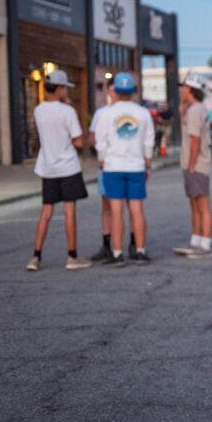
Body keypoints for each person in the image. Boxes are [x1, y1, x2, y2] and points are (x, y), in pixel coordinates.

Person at [26, 69, 91, 272]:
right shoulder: (67, 111)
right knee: (69, 210)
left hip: (48, 167)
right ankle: (72, 256)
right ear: (60, 88)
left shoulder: (39, 110)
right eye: (65, 88)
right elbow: (78, 141)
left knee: (46, 211)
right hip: (68, 167)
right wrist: (69, 109)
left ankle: (35, 257)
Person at [93, 72, 155, 265]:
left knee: (116, 210)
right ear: (133, 91)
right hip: (136, 166)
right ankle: (140, 251)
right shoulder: (143, 113)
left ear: (116, 91)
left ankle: (118, 253)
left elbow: (100, 141)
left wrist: (101, 160)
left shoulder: (106, 113)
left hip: (113, 166)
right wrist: (148, 163)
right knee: (137, 209)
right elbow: (149, 141)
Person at [89, 77, 135, 262]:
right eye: (114, 89)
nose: (116, 93)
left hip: (127, 164)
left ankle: (134, 244)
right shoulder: (102, 113)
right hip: (108, 164)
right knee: (108, 206)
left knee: (132, 205)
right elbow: (92, 137)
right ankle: (108, 245)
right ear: (109, 91)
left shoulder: (134, 112)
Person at [172, 76, 212, 260]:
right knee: (195, 204)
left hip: (196, 165)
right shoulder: (196, 109)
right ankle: (196, 241)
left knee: (202, 205)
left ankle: (205, 245)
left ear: (191, 90)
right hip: (196, 164)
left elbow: (195, 139)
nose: (181, 90)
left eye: (184, 87)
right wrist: (183, 108)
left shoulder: (195, 110)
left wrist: (191, 164)